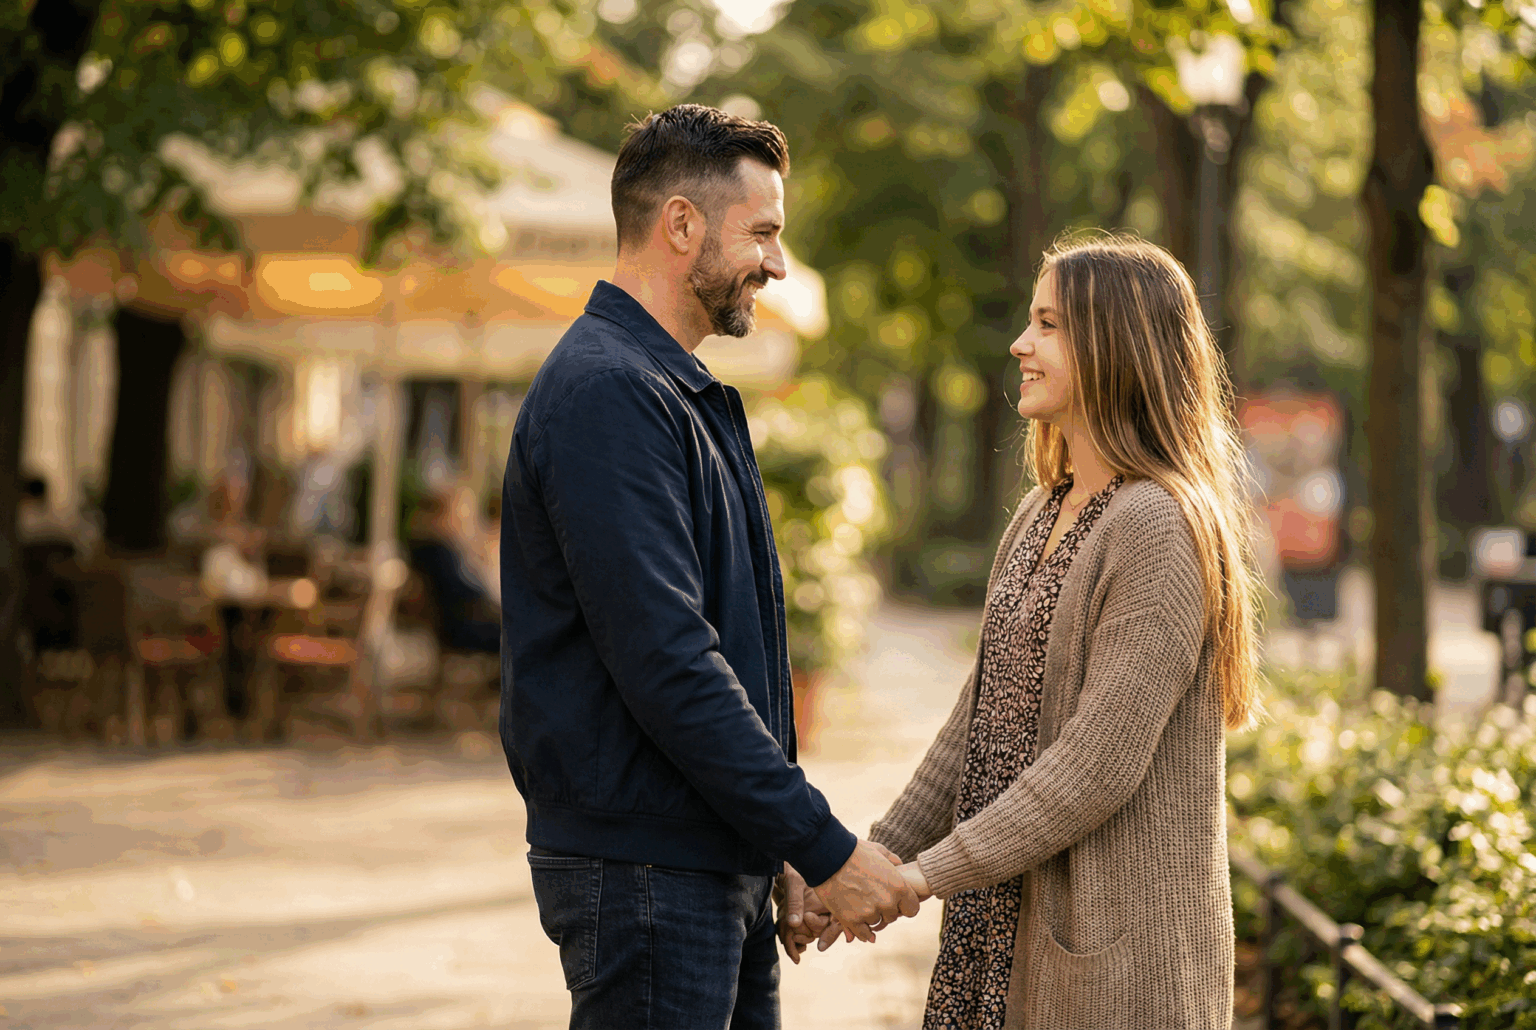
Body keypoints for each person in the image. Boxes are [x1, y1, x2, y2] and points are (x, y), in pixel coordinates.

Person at [499, 104, 920, 1030]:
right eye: (763, 233)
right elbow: (668, 659)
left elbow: (723, 652)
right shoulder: (611, 392)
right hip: (648, 876)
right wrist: (823, 846)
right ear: (681, 223)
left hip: (697, 862)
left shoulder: (670, 392)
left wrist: (781, 846)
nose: (776, 262)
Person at [786, 234, 1261, 1030]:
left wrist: (918, 877)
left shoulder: (1156, 526)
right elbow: (978, 720)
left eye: (1047, 325)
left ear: (1114, 345)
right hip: (997, 938)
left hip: (1114, 968)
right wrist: (863, 858)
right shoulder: (1044, 511)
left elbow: (1095, 765)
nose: (1020, 344)